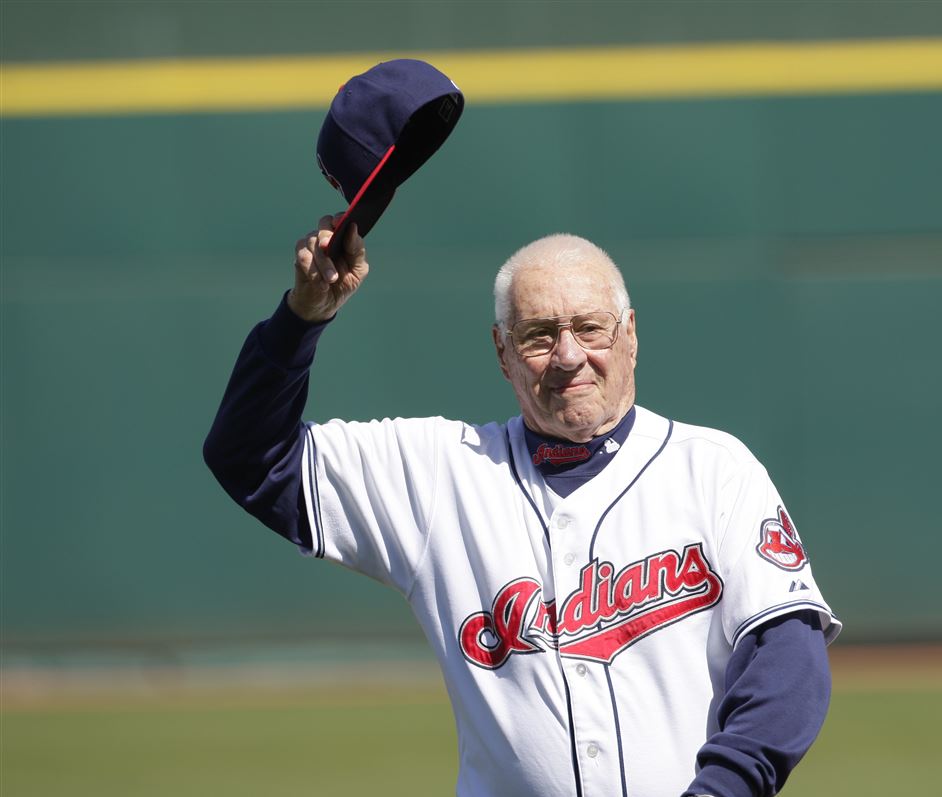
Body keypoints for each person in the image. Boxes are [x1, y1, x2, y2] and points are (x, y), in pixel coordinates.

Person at [204, 215, 841, 797]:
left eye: (589, 328)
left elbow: (789, 664)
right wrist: (301, 318)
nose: (568, 355)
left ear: (630, 336)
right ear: (502, 352)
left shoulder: (714, 469)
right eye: (539, 335)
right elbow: (251, 455)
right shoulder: (440, 474)